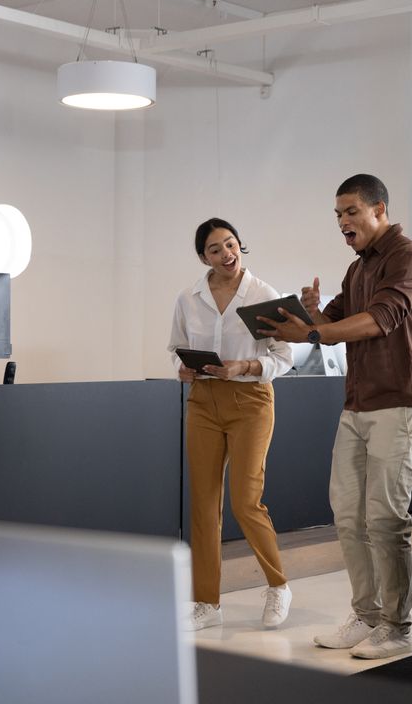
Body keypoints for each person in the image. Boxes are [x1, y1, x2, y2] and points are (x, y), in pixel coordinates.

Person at [258, 174, 412, 659]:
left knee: (384, 519)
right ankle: (366, 614)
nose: (342, 222)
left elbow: (377, 320)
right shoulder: (357, 268)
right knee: (347, 515)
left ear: (379, 208)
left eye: (351, 212)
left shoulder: (408, 258)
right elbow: (332, 321)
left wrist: (316, 332)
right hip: (358, 405)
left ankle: (396, 628)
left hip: (401, 403)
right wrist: (312, 314)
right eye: (337, 214)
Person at [168, 217, 294, 632]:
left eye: (232, 244)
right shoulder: (189, 298)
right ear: (204, 256)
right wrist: (182, 369)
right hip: (203, 401)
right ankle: (206, 602)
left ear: (241, 245)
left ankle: (278, 585)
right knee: (203, 505)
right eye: (216, 249)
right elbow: (176, 348)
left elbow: (284, 356)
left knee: (245, 500)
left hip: (251, 401)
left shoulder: (262, 294)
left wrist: (247, 365)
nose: (227, 254)